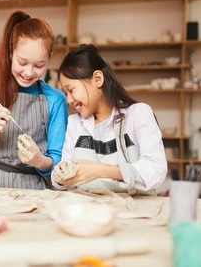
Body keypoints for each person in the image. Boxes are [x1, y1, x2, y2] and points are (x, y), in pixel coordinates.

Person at [0, 10, 68, 190]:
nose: (29, 72)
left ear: (49, 58)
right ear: (10, 53)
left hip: (33, 192)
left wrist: (39, 160)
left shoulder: (56, 99)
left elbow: (60, 165)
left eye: (39, 65)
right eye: (22, 63)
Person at [51, 44, 167, 195]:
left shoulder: (137, 114)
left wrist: (103, 171)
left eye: (71, 90)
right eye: (65, 93)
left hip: (133, 214)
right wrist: (60, 175)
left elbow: (156, 169)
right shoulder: (74, 123)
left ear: (98, 79)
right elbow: (66, 169)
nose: (69, 100)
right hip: (89, 212)